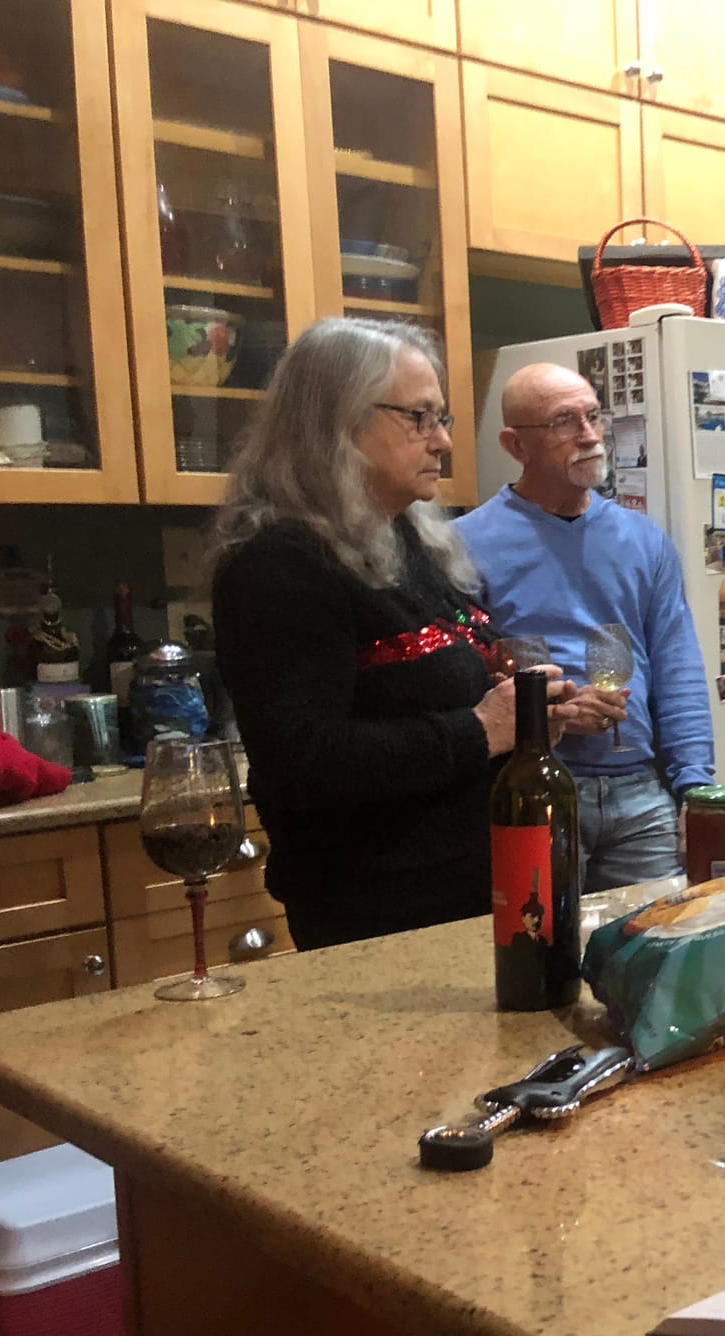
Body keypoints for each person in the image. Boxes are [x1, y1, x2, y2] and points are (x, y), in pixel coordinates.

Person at [211, 320, 604, 950]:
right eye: (420, 418)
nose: (443, 440)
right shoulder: (277, 563)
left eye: (441, 418)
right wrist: (482, 729)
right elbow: (301, 762)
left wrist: (526, 717)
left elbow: (436, 698)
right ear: (337, 421)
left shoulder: (407, 539)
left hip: (471, 893)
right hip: (376, 916)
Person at [458, 362, 714, 891]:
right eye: (564, 421)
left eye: (593, 416)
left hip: (642, 795)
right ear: (516, 445)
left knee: (653, 935)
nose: (590, 435)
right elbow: (458, 682)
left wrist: (695, 787)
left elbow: (677, 668)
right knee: (542, 936)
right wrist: (551, 714)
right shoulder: (463, 545)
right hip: (534, 791)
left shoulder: (644, 540)